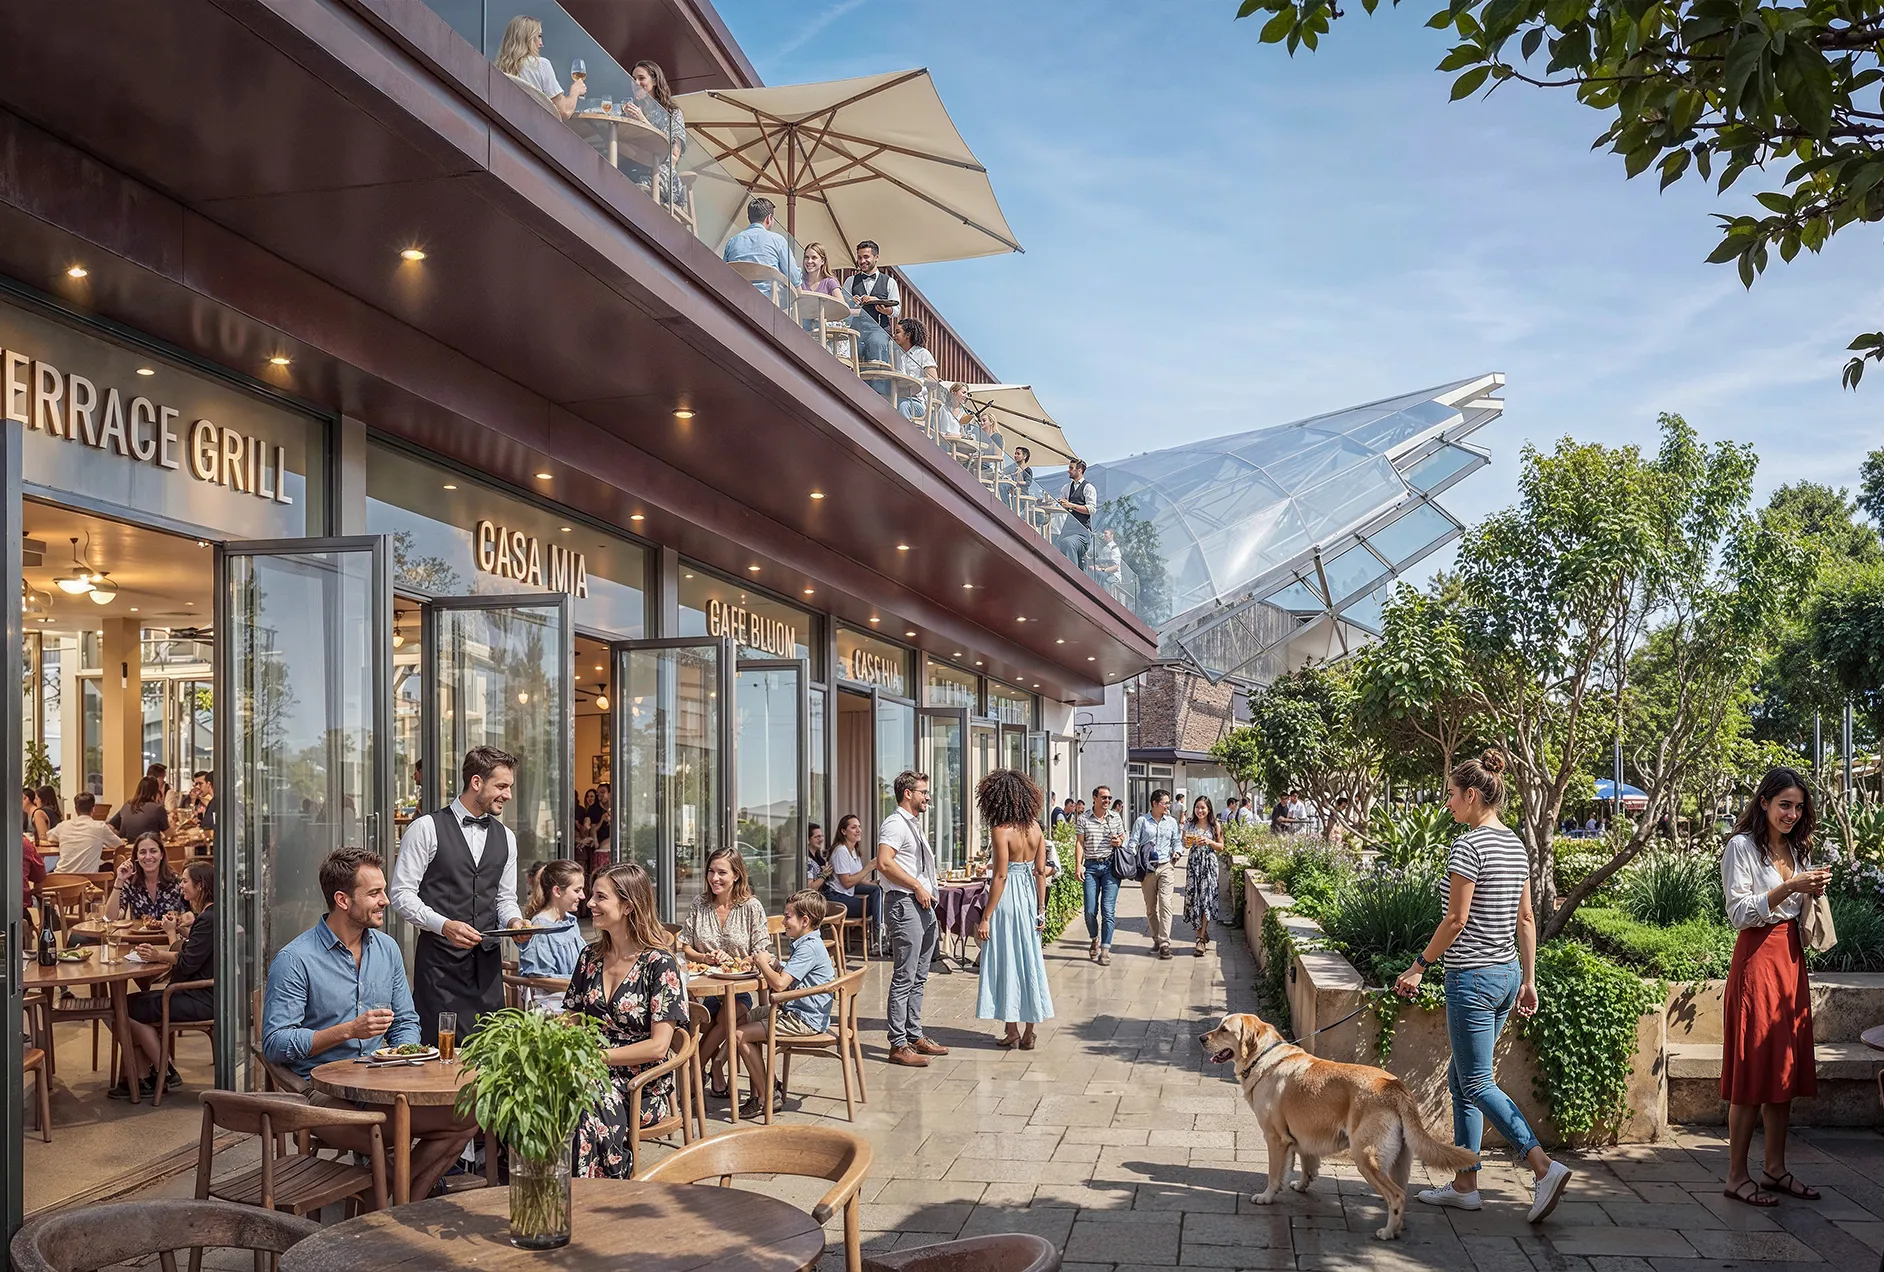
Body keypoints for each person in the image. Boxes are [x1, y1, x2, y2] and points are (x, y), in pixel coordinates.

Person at [1395, 749, 1573, 1224]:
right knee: (1461, 1081)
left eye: (1452, 796)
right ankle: (1465, 1184)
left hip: (1471, 978)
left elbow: (1455, 920)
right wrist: (1529, 981)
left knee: (1475, 1081)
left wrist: (1418, 965)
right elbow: (1528, 918)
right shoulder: (1515, 844)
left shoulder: (1468, 846)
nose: (1448, 804)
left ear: (1472, 795)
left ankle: (1542, 1166)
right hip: (1506, 974)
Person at [264, 846, 475, 1200]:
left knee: (470, 1116)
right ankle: (399, 1203)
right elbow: (275, 1043)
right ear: (342, 900)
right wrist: (348, 1031)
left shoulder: (387, 949)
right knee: (391, 1139)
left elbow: (406, 1020)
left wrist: (403, 1055)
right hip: (324, 1096)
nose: (386, 901)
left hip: (386, 1086)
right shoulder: (295, 960)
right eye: (375, 893)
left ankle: (396, 1202)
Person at [1719, 765, 1830, 1207]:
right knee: (1752, 1069)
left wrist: (1812, 889)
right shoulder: (1741, 847)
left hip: (1789, 962)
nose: (1792, 813)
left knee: (1783, 1067)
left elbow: (1794, 907)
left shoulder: (1795, 848)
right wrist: (1791, 886)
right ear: (1763, 803)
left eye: (1798, 807)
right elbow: (1740, 912)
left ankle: (1774, 1168)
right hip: (1756, 961)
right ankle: (1735, 1175)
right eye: (1785, 804)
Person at [391, 746, 529, 1045]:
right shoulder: (425, 828)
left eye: (509, 787)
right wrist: (443, 925)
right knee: (439, 1058)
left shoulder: (506, 837)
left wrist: (515, 922)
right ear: (476, 782)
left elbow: (504, 898)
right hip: (440, 969)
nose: (507, 795)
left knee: (490, 1057)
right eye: (501, 786)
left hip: (488, 971)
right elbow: (401, 894)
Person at [568, 862, 689, 1178]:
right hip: (589, 1071)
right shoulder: (589, 958)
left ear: (628, 905)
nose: (590, 903)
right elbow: (572, 1019)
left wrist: (597, 1058)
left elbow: (658, 1047)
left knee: (582, 1099)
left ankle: (596, 1190)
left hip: (641, 1085)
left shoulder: (659, 965)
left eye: (599, 897)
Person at [111, 861, 215, 1100]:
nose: (182, 886)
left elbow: (187, 962)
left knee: (123, 1008)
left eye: (186, 881)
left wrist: (158, 953)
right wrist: (182, 931)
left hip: (199, 998)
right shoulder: (210, 915)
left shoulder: (208, 919)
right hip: (200, 994)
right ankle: (142, 1077)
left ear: (199, 886)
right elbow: (200, 948)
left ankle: (163, 1070)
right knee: (129, 1006)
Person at [973, 770, 1055, 1049]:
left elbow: (1000, 876)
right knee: (1029, 960)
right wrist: (1041, 910)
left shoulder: (1000, 831)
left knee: (1007, 961)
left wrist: (986, 916)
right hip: (1030, 898)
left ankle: (1012, 1031)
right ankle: (1029, 1032)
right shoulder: (1036, 829)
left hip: (1006, 900)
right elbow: (1041, 872)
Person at [737, 889, 836, 1118]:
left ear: (805, 920)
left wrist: (763, 964)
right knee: (740, 1019)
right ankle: (770, 1083)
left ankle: (766, 1096)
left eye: (787, 916)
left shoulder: (808, 947)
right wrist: (775, 962)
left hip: (804, 1018)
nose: (783, 921)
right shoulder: (807, 942)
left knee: (739, 1035)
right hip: (795, 1010)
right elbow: (794, 974)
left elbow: (780, 985)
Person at [679, 846, 767, 1096]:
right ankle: (711, 1068)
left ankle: (700, 1071)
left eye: (721, 873)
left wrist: (736, 961)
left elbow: (761, 952)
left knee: (729, 1014)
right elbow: (685, 946)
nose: (714, 878)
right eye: (710, 871)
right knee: (709, 1018)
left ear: (736, 875)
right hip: (703, 988)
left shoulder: (751, 907)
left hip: (738, 987)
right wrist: (704, 956)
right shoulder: (700, 904)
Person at [877, 769, 945, 1067]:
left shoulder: (912, 824)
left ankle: (914, 1034)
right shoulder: (894, 824)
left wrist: (927, 885)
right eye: (923, 792)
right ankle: (898, 1043)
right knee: (905, 975)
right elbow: (884, 863)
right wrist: (917, 885)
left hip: (922, 904)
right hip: (904, 904)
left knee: (919, 974)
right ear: (908, 794)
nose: (927, 797)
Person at [515, 859, 587, 1012]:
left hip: (575, 999)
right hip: (553, 1007)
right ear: (557, 891)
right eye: (577, 890)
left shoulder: (570, 922)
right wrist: (579, 983)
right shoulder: (540, 929)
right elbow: (539, 979)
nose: (583, 896)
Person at [493, 15, 585, 120]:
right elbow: (564, 111)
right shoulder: (540, 65)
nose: (541, 44)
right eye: (539, 36)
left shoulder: (498, 70)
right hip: (536, 131)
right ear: (528, 39)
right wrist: (575, 90)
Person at [621, 60, 685, 207]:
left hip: (659, 172)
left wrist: (643, 121)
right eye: (633, 79)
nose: (636, 83)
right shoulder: (629, 108)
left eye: (641, 78)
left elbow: (673, 156)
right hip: (630, 163)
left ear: (655, 80)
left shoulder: (673, 114)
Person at [819, 813, 885, 954]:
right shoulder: (841, 851)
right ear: (843, 831)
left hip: (846, 893)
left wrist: (878, 882)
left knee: (878, 890)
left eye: (859, 827)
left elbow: (858, 879)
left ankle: (879, 938)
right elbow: (847, 882)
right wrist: (868, 867)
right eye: (853, 827)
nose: (858, 830)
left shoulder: (853, 850)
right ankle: (878, 939)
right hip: (836, 898)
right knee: (875, 903)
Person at [1128, 789, 1182, 960]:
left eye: (1168, 802)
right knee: (1151, 908)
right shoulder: (1142, 821)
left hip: (1166, 866)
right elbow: (1133, 842)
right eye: (1165, 802)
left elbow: (1176, 841)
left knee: (1166, 903)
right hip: (1147, 870)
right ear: (1154, 803)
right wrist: (1132, 860)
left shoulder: (1172, 822)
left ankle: (1165, 943)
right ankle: (1157, 938)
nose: (1168, 806)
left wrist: (1178, 852)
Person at [1077, 786, 1126, 965]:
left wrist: (1119, 841)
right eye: (1104, 797)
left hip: (1110, 867)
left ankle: (1105, 949)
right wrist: (1078, 866)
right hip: (1090, 867)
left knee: (1108, 910)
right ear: (1094, 798)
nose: (1107, 801)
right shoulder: (1083, 819)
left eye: (1109, 798)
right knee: (1090, 910)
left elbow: (1122, 836)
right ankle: (1094, 937)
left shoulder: (1115, 817)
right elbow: (1079, 843)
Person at [723, 197, 801, 301]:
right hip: (769, 301)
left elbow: (724, 275)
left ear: (749, 218)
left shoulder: (732, 242)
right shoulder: (778, 240)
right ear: (769, 218)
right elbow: (794, 277)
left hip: (737, 300)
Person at [105, 833, 188, 922]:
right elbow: (110, 918)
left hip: (170, 935)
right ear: (136, 856)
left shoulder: (176, 881)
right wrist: (119, 881)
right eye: (143, 852)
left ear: (161, 855)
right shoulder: (130, 882)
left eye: (153, 851)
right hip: (140, 935)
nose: (148, 857)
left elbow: (192, 915)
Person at [845, 239, 899, 373]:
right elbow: (842, 306)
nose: (862, 261)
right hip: (855, 330)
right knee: (850, 351)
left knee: (877, 343)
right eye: (859, 257)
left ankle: (878, 386)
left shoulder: (889, 282)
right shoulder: (850, 281)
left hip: (879, 329)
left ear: (876, 257)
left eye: (866, 257)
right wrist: (852, 302)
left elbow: (896, 310)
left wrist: (883, 306)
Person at [1182, 795, 1224, 958]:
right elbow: (1184, 843)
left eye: (1203, 808)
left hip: (1209, 865)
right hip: (1194, 865)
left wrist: (1209, 842)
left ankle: (1199, 939)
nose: (1200, 810)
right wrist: (1187, 842)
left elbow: (1221, 847)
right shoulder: (1189, 824)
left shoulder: (1215, 825)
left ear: (1209, 809)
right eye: (1197, 807)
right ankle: (1201, 932)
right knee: (1194, 900)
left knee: (1206, 899)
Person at [43, 791, 122, 875]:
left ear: (75, 809)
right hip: (88, 882)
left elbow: (49, 836)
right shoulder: (100, 827)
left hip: (61, 878)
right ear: (93, 809)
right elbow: (119, 845)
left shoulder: (63, 826)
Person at [1054, 459, 1098, 569]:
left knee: (1068, 543)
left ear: (1080, 470)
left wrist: (1071, 505)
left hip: (1082, 533)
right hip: (1067, 530)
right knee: (1053, 546)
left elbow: (1091, 509)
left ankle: (1073, 575)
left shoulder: (1088, 488)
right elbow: (1062, 504)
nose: (1068, 471)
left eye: (1071, 468)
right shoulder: (1066, 488)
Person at [891, 318, 937, 422]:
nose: (894, 335)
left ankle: (902, 436)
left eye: (897, 332)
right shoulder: (895, 353)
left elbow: (933, 380)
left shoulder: (923, 354)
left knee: (903, 406)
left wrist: (916, 383)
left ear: (908, 335)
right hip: (895, 396)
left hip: (916, 401)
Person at [109, 776, 170, 842]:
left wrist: (119, 835)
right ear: (155, 792)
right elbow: (169, 835)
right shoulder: (158, 808)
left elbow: (110, 826)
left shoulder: (127, 805)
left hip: (126, 849)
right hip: (148, 847)